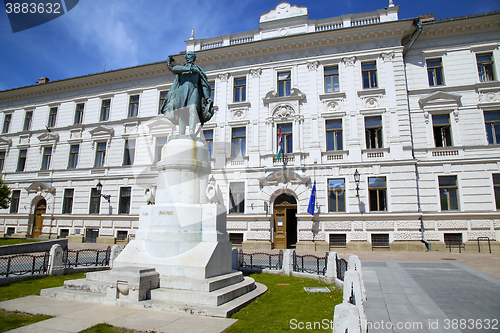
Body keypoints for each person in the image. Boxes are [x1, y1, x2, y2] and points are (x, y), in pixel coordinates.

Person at [160, 51, 214, 136]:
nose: (189, 57)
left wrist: (207, 98)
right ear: (185, 57)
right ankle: (181, 134)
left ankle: (191, 132)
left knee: (193, 109)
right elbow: (174, 69)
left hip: (194, 91)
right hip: (182, 92)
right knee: (182, 112)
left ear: (194, 58)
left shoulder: (199, 70)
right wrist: (190, 69)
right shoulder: (181, 68)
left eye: (191, 55)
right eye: (188, 55)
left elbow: (204, 84)